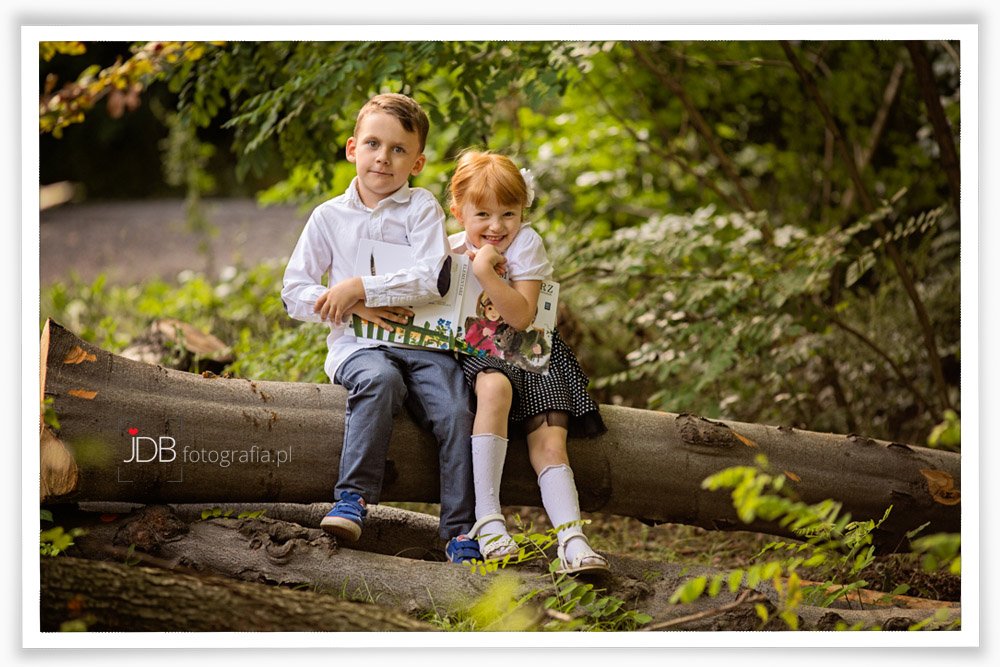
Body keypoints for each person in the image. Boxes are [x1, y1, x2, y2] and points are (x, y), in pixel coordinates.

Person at [281, 93, 482, 564]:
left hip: (426, 344)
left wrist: (359, 287)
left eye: (398, 150)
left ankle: (459, 531)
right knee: (379, 379)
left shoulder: (421, 209)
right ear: (352, 148)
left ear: (417, 162)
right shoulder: (329, 217)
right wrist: (354, 309)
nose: (383, 158)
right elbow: (294, 292)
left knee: (456, 410)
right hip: (357, 344)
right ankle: (353, 499)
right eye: (373, 144)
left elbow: (431, 276)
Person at [447, 150, 610, 575]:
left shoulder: (526, 243)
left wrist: (486, 272)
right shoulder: (447, 249)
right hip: (479, 353)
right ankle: (488, 521)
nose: (497, 226)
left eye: (509, 213)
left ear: (523, 211)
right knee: (494, 387)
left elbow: (521, 317)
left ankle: (572, 539)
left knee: (552, 443)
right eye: (482, 214)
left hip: (531, 350)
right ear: (458, 211)